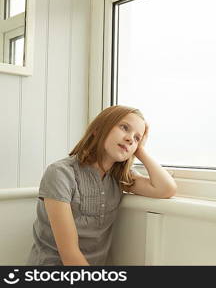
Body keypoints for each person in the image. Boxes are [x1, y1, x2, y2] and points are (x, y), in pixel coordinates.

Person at [26, 105, 177, 266]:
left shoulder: (119, 178)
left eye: (137, 138)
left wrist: (139, 151)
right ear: (98, 129)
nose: (130, 138)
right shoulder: (60, 173)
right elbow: (70, 255)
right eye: (124, 128)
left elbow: (166, 189)